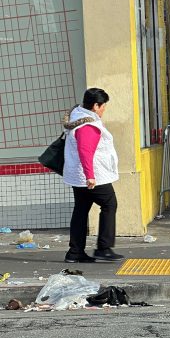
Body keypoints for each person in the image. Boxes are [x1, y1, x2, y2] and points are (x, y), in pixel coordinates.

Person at [62, 88, 124, 263]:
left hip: (77, 175)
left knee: (81, 210)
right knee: (109, 203)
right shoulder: (88, 125)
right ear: (96, 106)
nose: (104, 110)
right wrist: (90, 175)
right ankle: (104, 248)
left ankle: (75, 252)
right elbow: (85, 151)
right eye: (103, 106)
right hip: (92, 176)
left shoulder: (76, 116)